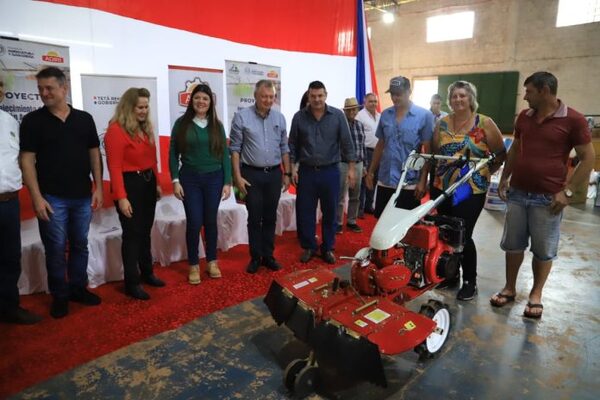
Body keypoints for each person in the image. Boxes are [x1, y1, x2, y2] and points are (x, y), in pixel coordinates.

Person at [491, 72, 594, 318]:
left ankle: (536, 294)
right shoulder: (525, 118)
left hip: (548, 199)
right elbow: (516, 148)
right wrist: (505, 178)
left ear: (545, 91)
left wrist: (567, 192)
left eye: (529, 92)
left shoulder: (574, 120)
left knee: (543, 250)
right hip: (517, 193)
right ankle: (509, 288)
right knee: (513, 245)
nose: (524, 97)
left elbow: (588, 158)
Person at [20, 67, 103, 318]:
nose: (44, 94)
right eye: (40, 89)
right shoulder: (32, 121)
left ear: (64, 88)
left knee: (80, 244)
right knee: (55, 249)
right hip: (51, 198)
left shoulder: (84, 119)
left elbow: (94, 153)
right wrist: (36, 197)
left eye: (49, 89)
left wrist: (98, 186)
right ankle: (60, 295)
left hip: (82, 195)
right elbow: (26, 160)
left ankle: (78, 288)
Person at [431, 81, 506, 301]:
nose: (458, 100)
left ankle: (470, 281)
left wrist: (483, 172)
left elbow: (501, 153)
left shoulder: (484, 123)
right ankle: (451, 274)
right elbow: (435, 154)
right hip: (441, 187)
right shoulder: (442, 123)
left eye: (462, 96)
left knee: (463, 234)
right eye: (454, 96)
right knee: (445, 232)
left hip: (470, 190)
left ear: (471, 98)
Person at [104, 88, 165, 300]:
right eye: (140, 107)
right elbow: (114, 167)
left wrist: (156, 182)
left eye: (146, 107)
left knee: (145, 232)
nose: (144, 111)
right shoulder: (116, 130)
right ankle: (132, 282)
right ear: (129, 107)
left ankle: (147, 273)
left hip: (147, 183)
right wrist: (121, 197)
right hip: (130, 186)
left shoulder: (145, 127)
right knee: (132, 235)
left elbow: (153, 158)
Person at [169, 84, 232, 285]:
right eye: (197, 98)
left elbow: (224, 154)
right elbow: (173, 153)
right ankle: (194, 264)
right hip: (190, 179)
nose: (201, 102)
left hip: (214, 178)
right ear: (191, 100)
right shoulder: (181, 124)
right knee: (195, 222)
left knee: (210, 221)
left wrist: (227, 181)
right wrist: (175, 180)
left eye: (205, 98)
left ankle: (212, 261)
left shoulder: (217, 125)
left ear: (210, 102)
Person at [289, 81, 356, 264]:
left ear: (325, 95)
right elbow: (293, 144)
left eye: (320, 96)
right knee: (306, 212)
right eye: (313, 96)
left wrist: (351, 168)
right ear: (308, 97)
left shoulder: (337, 116)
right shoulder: (299, 117)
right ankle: (309, 246)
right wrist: (293, 167)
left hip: (331, 172)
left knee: (330, 211)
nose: (317, 99)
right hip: (307, 172)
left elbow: (347, 143)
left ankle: (328, 248)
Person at [229, 80, 291, 274]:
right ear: (255, 96)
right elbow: (235, 150)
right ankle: (256, 257)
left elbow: (284, 148)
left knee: (271, 217)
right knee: (255, 217)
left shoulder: (280, 119)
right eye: (264, 96)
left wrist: (287, 172)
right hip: (251, 175)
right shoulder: (241, 117)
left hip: (274, 174)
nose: (267, 100)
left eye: (271, 97)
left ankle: (268, 256)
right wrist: (237, 177)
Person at [0, 76, 42, 324]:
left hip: (8, 202)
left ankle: (9, 307)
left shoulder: (9, 121)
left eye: (0, 86)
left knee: (9, 258)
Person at [365, 76, 434, 217]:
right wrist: (371, 172)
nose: (395, 98)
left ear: (409, 91)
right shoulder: (385, 115)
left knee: (404, 226)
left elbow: (428, 152)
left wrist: (423, 181)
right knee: (382, 221)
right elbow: (380, 145)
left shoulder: (424, 116)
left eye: (399, 94)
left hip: (409, 181)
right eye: (392, 94)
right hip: (386, 179)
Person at [336, 97, 367, 234]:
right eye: (349, 110)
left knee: (356, 194)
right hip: (343, 164)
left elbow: (363, 146)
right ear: (345, 111)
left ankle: (352, 221)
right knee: (340, 195)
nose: (352, 112)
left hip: (359, 163)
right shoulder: (339, 125)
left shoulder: (360, 125)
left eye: (354, 109)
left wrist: (365, 165)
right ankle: (337, 223)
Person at [356, 93, 380, 216]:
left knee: (374, 179)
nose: (373, 104)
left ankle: (368, 206)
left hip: (378, 152)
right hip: (365, 151)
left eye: (375, 101)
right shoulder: (360, 116)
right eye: (371, 101)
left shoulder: (380, 116)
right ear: (365, 102)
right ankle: (359, 209)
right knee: (363, 180)